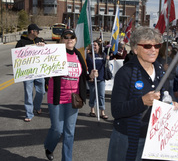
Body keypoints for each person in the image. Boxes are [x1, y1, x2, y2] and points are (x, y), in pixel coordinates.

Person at [107, 27, 178, 161]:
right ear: (135, 49)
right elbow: (116, 111)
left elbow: (165, 95)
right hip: (127, 137)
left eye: (157, 45)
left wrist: (171, 104)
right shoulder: (125, 73)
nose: (153, 49)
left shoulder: (160, 71)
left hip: (154, 138)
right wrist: (142, 102)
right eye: (147, 46)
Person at [44, 29, 98, 161]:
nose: (69, 39)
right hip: (56, 97)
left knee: (69, 132)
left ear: (75, 40)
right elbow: (41, 64)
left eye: (72, 37)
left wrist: (90, 75)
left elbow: (83, 75)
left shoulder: (79, 56)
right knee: (57, 130)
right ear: (61, 40)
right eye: (66, 37)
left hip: (73, 99)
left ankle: (66, 159)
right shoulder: (54, 54)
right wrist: (40, 46)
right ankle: (49, 147)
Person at [15, 24, 46, 122]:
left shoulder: (40, 40)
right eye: (37, 31)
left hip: (39, 72)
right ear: (32, 31)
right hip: (27, 73)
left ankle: (37, 107)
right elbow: (16, 57)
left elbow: (47, 54)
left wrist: (43, 45)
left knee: (41, 91)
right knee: (28, 93)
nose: (38, 33)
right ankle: (29, 113)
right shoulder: (21, 42)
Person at [86, 40, 109, 119]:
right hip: (92, 79)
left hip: (101, 78)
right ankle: (92, 110)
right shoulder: (89, 55)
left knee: (101, 95)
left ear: (99, 46)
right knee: (92, 95)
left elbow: (105, 65)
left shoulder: (103, 55)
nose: (94, 47)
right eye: (93, 45)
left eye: (95, 45)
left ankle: (102, 112)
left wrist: (107, 59)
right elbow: (88, 66)